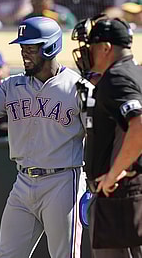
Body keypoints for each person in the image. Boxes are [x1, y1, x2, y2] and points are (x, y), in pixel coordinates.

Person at [0, 16, 89, 258]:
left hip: (63, 179)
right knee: (8, 254)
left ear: (50, 47)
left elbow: (98, 133)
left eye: (31, 48)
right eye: (23, 48)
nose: (25, 54)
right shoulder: (11, 85)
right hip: (23, 181)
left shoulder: (78, 87)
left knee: (64, 255)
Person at [72, 16, 142, 257]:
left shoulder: (117, 78)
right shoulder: (133, 72)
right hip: (124, 193)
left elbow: (139, 126)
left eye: (91, 46)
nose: (86, 52)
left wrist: (114, 172)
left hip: (120, 196)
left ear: (105, 48)